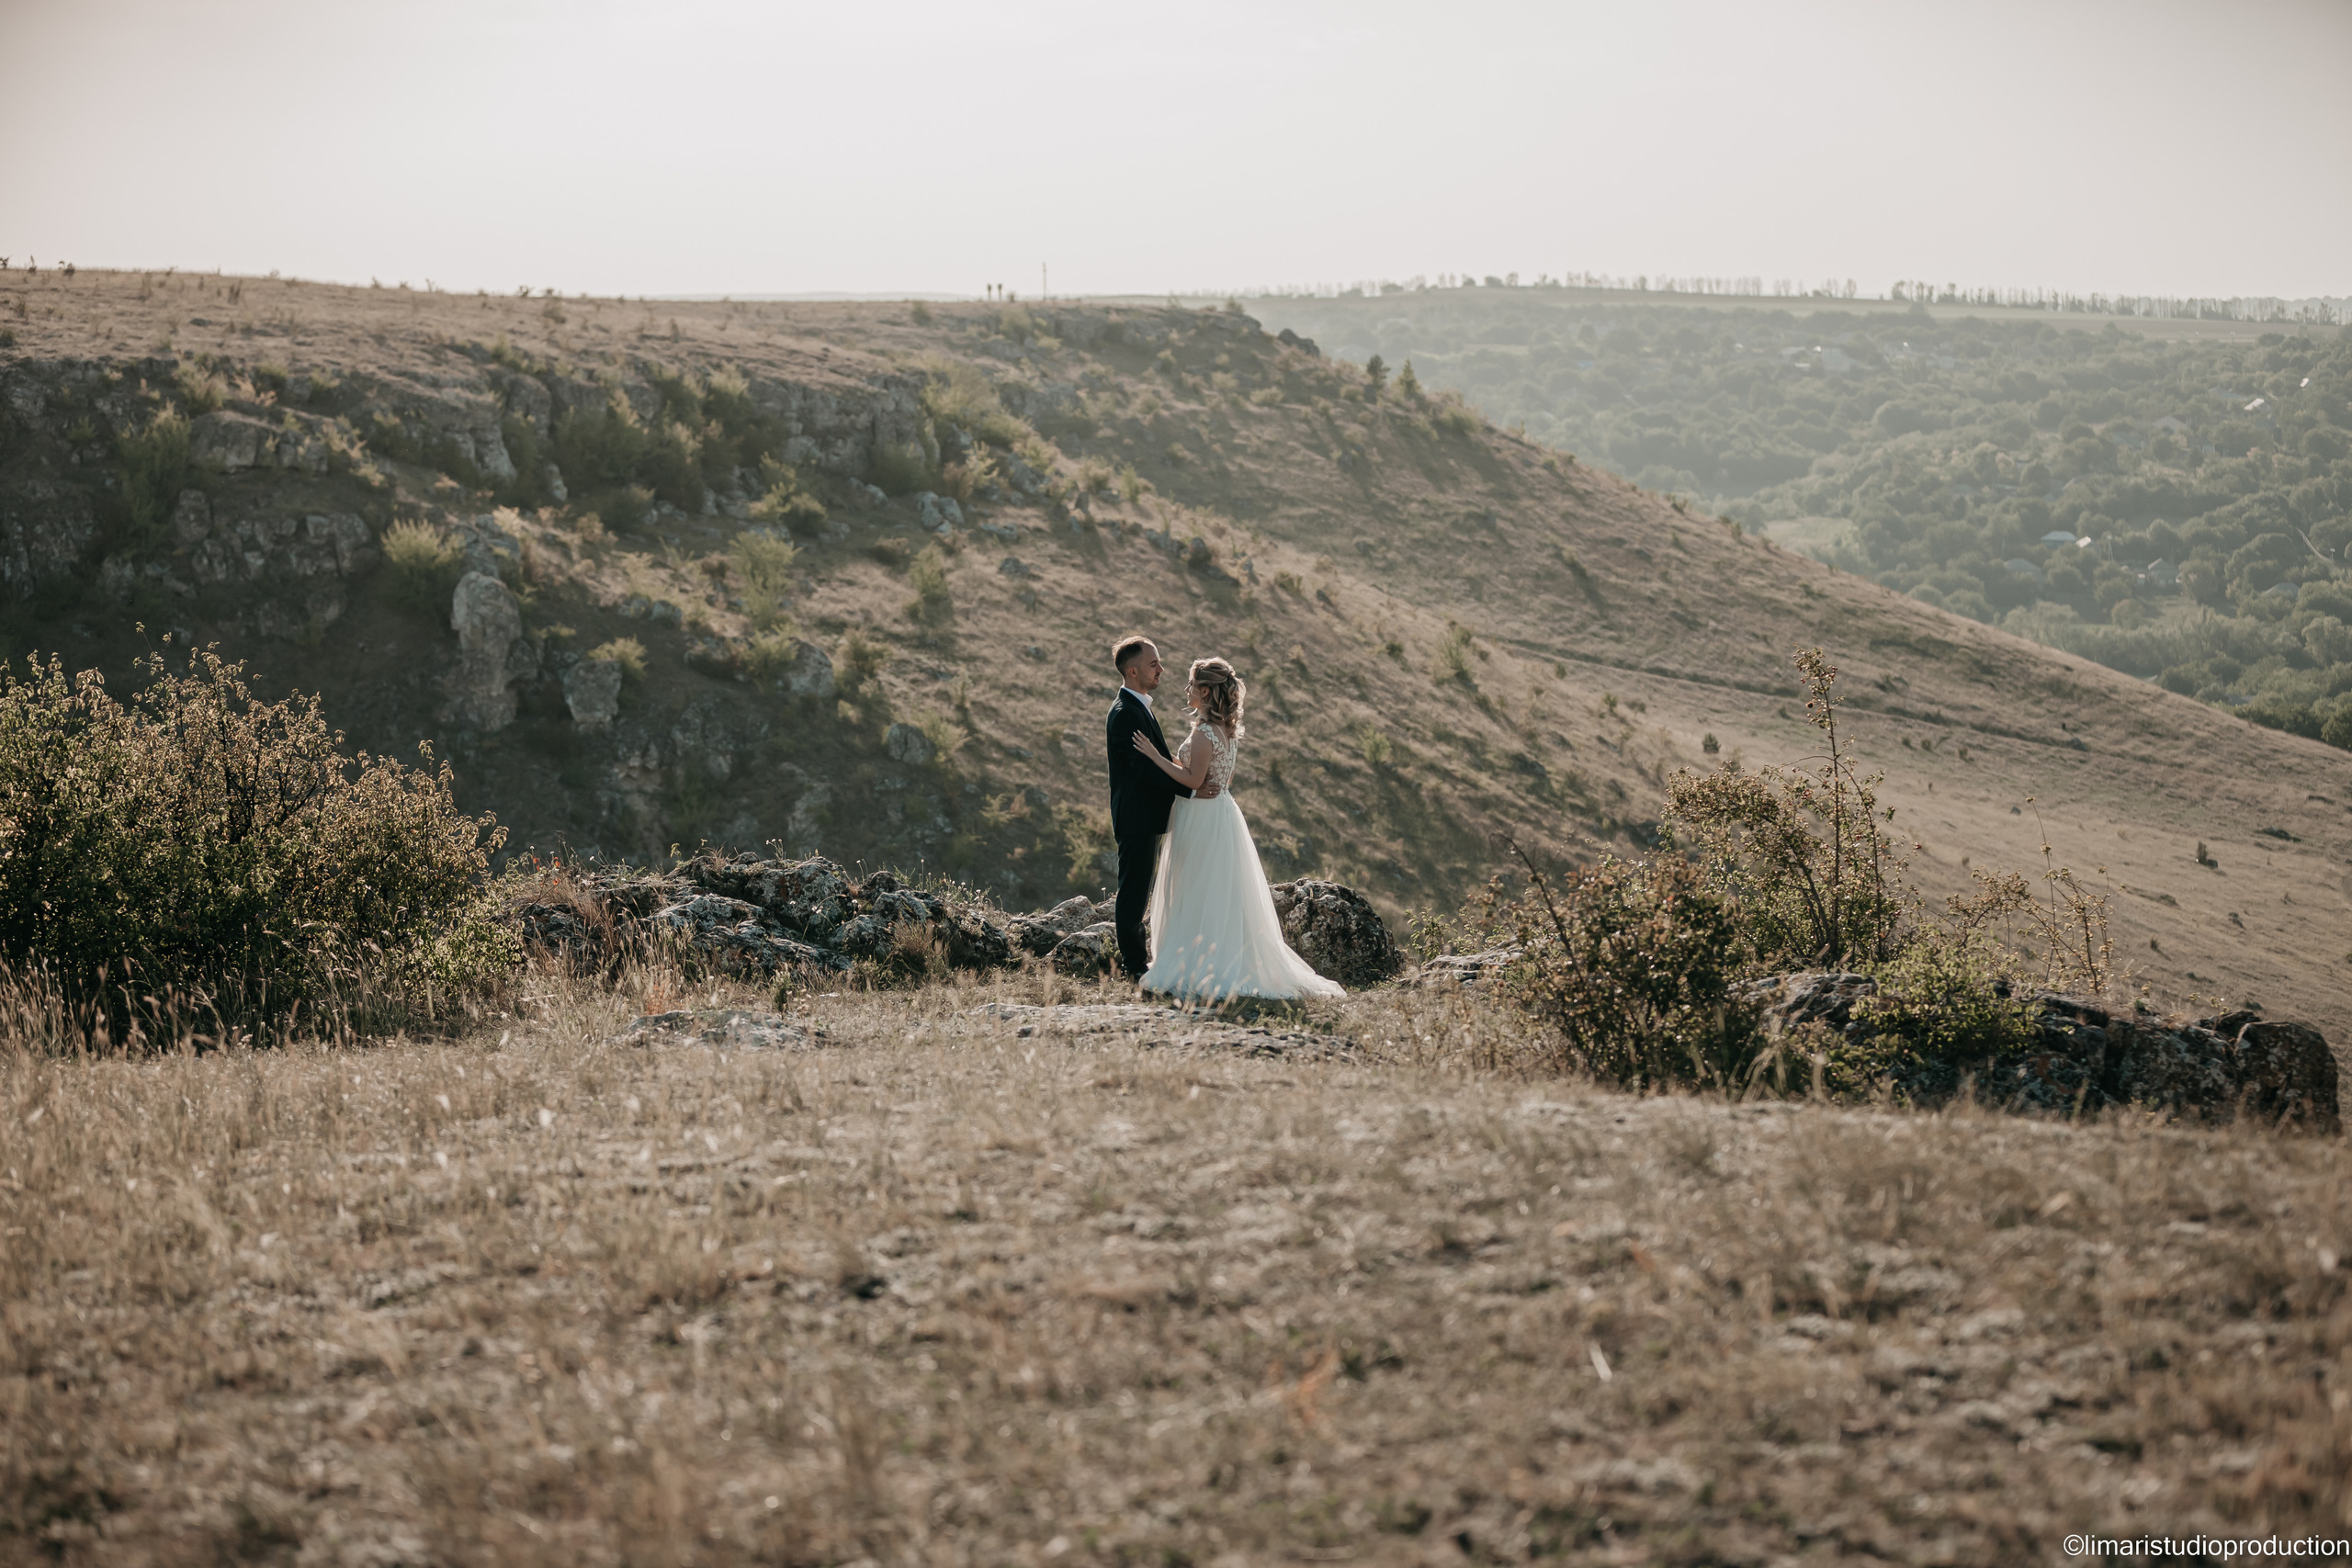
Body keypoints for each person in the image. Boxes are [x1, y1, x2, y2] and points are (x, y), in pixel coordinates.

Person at [1127, 656, 1344, 1002]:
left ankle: (1195, 963)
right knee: (1216, 889)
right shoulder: (1227, 732)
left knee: (1195, 887)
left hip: (1200, 817)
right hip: (1222, 814)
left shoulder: (1203, 733)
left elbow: (1194, 781)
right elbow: (1222, 780)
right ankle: (1214, 957)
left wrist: (1155, 756)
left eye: (1191, 685)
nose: (1186, 691)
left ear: (1206, 691)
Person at [1102, 635, 1216, 981]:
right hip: (1136, 817)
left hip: (1146, 816)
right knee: (1134, 891)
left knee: (1138, 888)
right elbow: (1145, 771)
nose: (1161, 669)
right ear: (1133, 671)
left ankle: (1137, 962)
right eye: (1154, 664)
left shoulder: (1138, 706)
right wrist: (1193, 791)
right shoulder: (1125, 713)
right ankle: (1134, 965)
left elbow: (1156, 763)